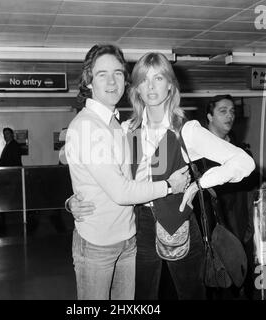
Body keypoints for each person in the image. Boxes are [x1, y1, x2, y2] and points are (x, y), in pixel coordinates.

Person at [68, 52, 255, 300]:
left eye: (158, 78)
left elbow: (244, 163)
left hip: (180, 225)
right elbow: (89, 165)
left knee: (190, 295)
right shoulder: (128, 129)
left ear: (170, 84)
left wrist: (198, 184)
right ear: (136, 88)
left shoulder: (186, 131)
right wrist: (73, 200)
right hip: (138, 229)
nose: (151, 86)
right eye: (144, 80)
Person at [62, 44, 190, 300]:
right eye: (102, 74)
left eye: (118, 73)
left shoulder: (119, 126)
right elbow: (120, 191)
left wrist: (70, 201)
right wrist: (168, 186)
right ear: (89, 81)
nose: (112, 81)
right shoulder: (87, 126)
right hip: (98, 244)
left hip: (128, 239)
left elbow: (79, 165)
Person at [194, 95, 259, 299]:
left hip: (240, 229)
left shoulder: (240, 151)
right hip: (212, 232)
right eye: (223, 111)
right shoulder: (198, 155)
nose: (230, 115)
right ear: (209, 116)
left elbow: (252, 183)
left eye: (232, 111)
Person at [0, 127, 22, 226]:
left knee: (7, 195)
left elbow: (12, 161)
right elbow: (3, 161)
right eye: (4, 134)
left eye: (7, 133)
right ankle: (2, 213)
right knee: (6, 196)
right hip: (7, 175)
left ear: (12, 135)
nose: (6, 136)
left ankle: (2, 214)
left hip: (11, 175)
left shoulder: (14, 145)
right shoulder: (8, 145)